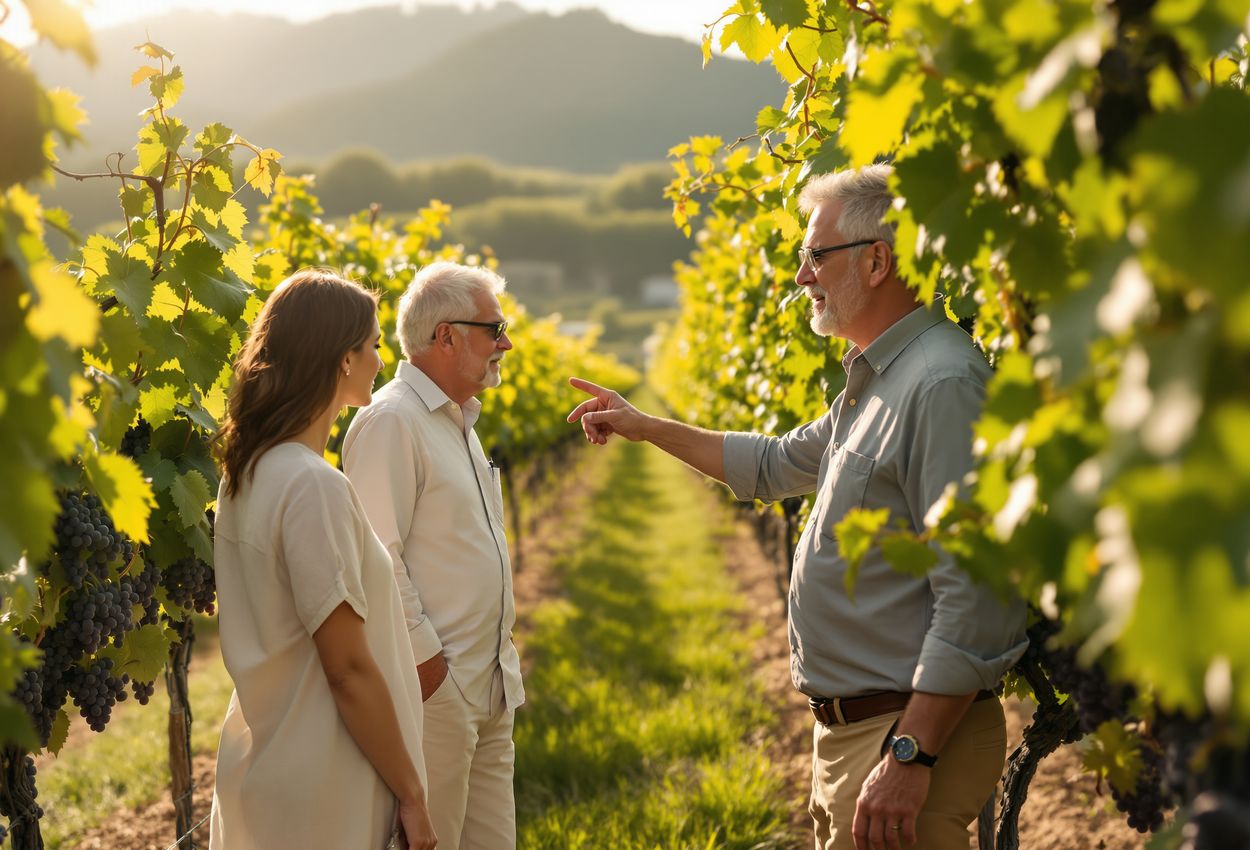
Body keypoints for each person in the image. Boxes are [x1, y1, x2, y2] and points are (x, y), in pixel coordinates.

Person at [566, 164, 1027, 850]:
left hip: (903, 740)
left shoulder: (942, 384)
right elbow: (776, 464)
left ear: (878, 261)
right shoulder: (879, 379)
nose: (802, 276)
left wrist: (910, 757)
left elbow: (978, 592)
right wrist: (645, 425)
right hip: (860, 737)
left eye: (816, 256)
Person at [210, 269, 436, 850]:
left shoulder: (248, 473)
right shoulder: (313, 487)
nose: (381, 362)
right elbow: (348, 669)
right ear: (343, 360)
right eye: (376, 345)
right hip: (327, 782)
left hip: (268, 762)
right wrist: (412, 794)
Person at [343, 261, 525, 850]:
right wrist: (430, 671)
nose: (506, 342)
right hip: (439, 695)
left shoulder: (457, 420)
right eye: (493, 328)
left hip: (491, 684)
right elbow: (377, 559)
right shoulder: (391, 422)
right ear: (445, 336)